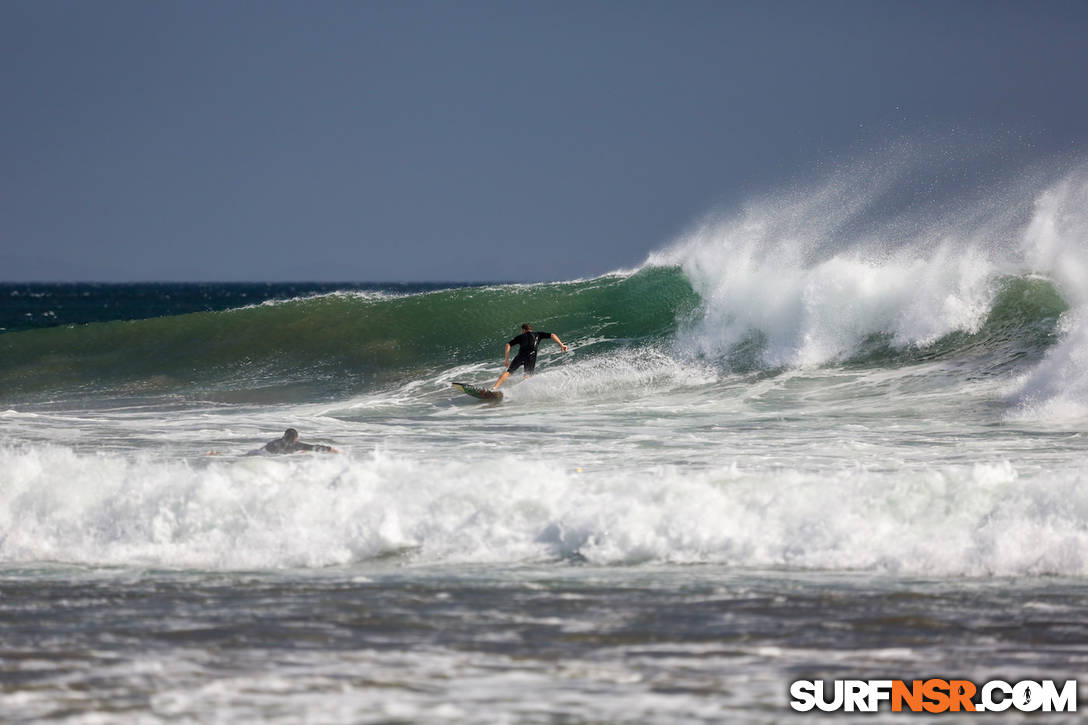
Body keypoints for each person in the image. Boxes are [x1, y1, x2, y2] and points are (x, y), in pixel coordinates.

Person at [493, 323, 568, 390]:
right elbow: (552, 335)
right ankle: (523, 392)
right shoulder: (538, 334)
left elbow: (508, 345)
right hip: (530, 357)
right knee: (527, 375)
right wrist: (561, 345)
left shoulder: (520, 336)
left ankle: (495, 387)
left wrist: (506, 360)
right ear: (530, 329)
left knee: (509, 372)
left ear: (523, 330)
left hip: (520, 356)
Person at [261, 428, 338, 455]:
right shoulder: (297, 445)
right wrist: (330, 449)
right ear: (295, 438)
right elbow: (314, 447)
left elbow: (263, 450)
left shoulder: (274, 442)